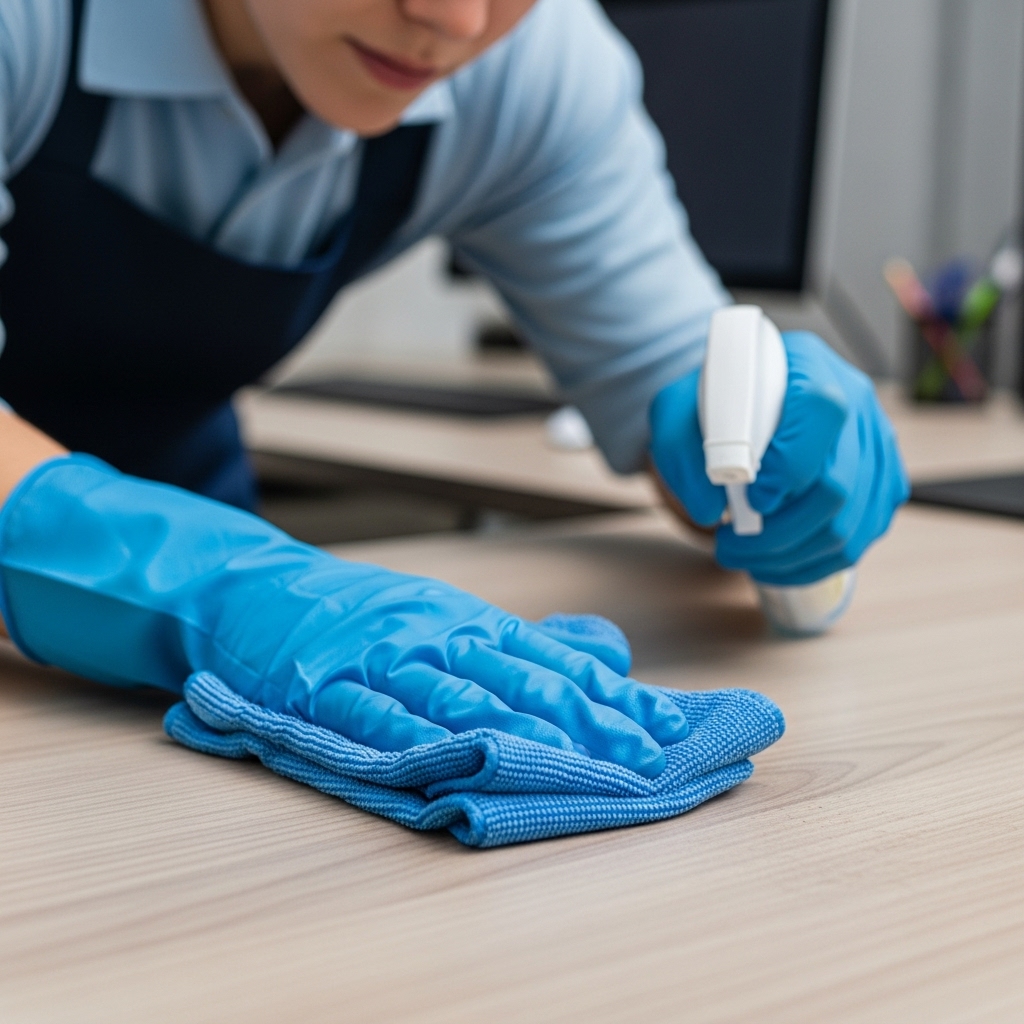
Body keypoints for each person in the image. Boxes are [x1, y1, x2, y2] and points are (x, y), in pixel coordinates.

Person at [0, 0, 907, 776]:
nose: (455, 21)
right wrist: (224, 593)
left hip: (170, 592)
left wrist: (748, 449)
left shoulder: (529, 61)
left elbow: (671, 365)